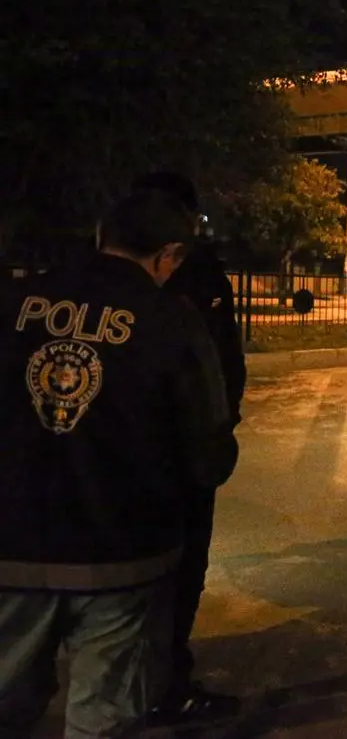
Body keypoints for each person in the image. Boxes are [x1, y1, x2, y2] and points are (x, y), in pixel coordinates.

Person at [0, 190, 239, 739]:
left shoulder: (11, 303)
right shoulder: (172, 321)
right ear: (169, 254)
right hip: (121, 558)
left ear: (101, 236)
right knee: (104, 716)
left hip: (10, 550)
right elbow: (208, 456)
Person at [130, 172, 247, 724]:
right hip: (182, 457)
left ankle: (143, 678)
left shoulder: (86, 277)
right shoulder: (193, 275)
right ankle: (164, 684)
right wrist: (217, 439)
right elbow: (216, 365)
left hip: (126, 457)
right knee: (176, 574)